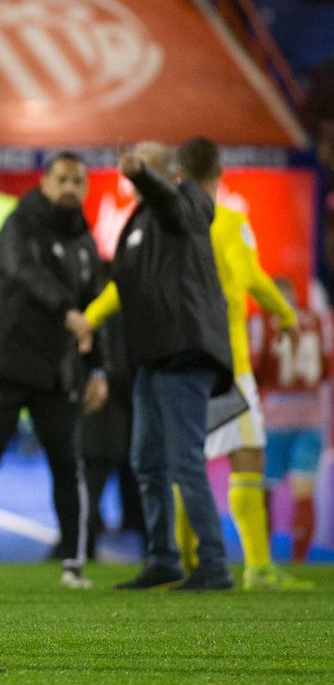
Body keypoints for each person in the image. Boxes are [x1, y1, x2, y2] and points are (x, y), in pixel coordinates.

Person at [71, 141, 235, 591]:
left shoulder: (187, 203)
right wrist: (91, 321)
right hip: (152, 356)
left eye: (144, 167)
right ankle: (163, 557)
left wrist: (142, 174)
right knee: (146, 459)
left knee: (184, 459)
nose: (133, 174)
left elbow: (170, 201)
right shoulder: (140, 222)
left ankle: (214, 565)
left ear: (168, 172)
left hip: (184, 351)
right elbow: (123, 290)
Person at [0, 152, 107, 589]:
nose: (71, 187)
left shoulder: (84, 239)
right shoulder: (21, 222)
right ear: (45, 182)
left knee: (66, 464)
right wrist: (67, 312)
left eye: (79, 180)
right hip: (4, 362)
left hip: (55, 371)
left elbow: (95, 305)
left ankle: (73, 562)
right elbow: (24, 272)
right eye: (63, 179)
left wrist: (98, 370)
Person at [178, 137, 310, 590]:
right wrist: (286, 312)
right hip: (226, 362)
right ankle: (257, 567)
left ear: (179, 175)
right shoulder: (229, 222)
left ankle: (185, 562)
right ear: (218, 173)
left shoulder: (168, 222)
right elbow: (251, 275)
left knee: (187, 461)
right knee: (248, 455)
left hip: (181, 362)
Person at [253, 278, 330, 564]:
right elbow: (325, 370)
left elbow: (254, 367)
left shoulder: (263, 322)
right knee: (304, 490)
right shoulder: (319, 322)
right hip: (309, 416)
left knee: (265, 489)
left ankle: (263, 558)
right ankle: (300, 559)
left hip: (275, 418)